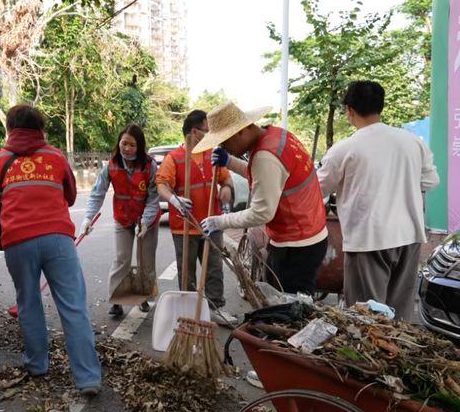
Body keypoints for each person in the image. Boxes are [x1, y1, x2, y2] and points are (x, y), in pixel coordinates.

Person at [198, 103, 328, 390]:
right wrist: (230, 163)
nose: (226, 147)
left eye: (226, 141)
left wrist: (221, 220)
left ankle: (285, 373)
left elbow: (261, 212)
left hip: (297, 243)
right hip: (309, 235)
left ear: (243, 130)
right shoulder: (278, 137)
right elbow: (266, 177)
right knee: (293, 303)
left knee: (290, 308)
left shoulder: (265, 155)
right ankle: (291, 364)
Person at [0, 105, 102, 397]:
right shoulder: (56, 156)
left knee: (29, 303)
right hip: (58, 239)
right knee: (73, 307)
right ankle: (88, 378)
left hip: (18, 241)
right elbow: (71, 196)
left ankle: (37, 364)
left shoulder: (0, 159)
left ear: (10, 128)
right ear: (41, 129)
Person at [318, 81, 440, 322]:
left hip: (369, 239)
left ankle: (365, 360)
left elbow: (318, 188)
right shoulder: (413, 142)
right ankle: (398, 357)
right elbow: (430, 182)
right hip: (409, 236)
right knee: (398, 315)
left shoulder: (344, 149)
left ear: (349, 110)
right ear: (380, 107)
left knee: (366, 317)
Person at [156, 110, 238, 326]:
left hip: (212, 225)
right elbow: (162, 185)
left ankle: (216, 308)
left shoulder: (212, 154)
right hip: (185, 226)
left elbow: (226, 178)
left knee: (214, 269)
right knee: (187, 273)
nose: (209, 135)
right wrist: (174, 200)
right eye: (206, 131)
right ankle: (190, 311)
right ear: (194, 132)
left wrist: (227, 188)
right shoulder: (174, 158)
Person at [80, 124, 160, 316]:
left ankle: (142, 297)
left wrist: (146, 222)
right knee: (122, 259)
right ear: (119, 143)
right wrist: (88, 217)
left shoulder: (149, 165)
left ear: (139, 146)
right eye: (124, 143)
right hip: (123, 218)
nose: (127, 148)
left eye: (132, 145)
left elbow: (153, 197)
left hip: (147, 220)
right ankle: (117, 300)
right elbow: (97, 193)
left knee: (145, 260)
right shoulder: (112, 165)